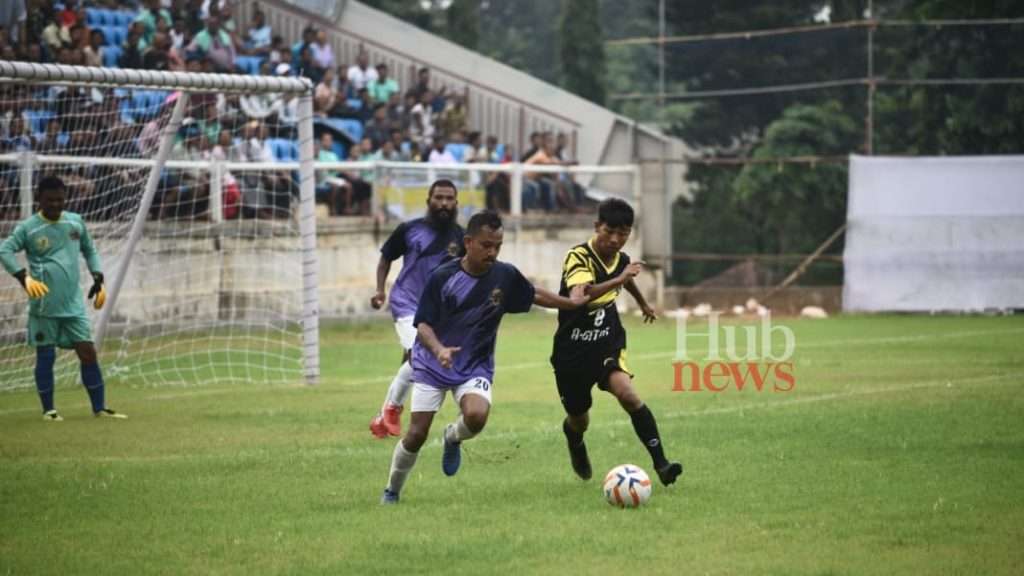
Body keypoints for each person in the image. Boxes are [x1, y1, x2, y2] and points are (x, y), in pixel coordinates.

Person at [381, 211, 589, 504]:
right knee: (416, 434)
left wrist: (570, 302)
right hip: (431, 363)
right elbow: (423, 324)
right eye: (486, 245)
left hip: (474, 364)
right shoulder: (443, 277)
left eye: (498, 246)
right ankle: (392, 491)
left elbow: (532, 294)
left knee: (477, 417)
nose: (492, 252)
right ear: (468, 242)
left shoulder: (504, 275)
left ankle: (453, 437)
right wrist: (439, 349)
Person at [550, 198, 682, 486]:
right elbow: (580, 297)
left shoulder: (620, 259)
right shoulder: (579, 257)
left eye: (623, 233)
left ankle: (662, 465)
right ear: (597, 226)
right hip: (572, 351)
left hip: (606, 342)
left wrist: (644, 304)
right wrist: (621, 278)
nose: (615, 239)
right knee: (579, 419)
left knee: (628, 394)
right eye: (609, 231)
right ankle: (575, 441)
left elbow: (626, 278)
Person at [0, 175, 127, 421]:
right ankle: (49, 410)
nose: (56, 205)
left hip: (74, 304)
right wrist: (23, 278)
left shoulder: (75, 222)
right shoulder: (28, 228)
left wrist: (98, 277)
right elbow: (4, 250)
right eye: (50, 200)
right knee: (46, 356)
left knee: (88, 352)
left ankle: (99, 407)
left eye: (60, 200)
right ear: (39, 199)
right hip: (44, 305)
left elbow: (90, 250)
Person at [369, 179, 463, 438]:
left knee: (413, 359)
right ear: (428, 201)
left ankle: (381, 418)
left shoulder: (461, 237)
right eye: (438, 198)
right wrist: (380, 289)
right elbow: (386, 257)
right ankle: (393, 408)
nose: (443, 203)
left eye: (449, 199)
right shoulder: (409, 230)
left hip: (437, 312)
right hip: (407, 302)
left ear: (456, 203)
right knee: (418, 354)